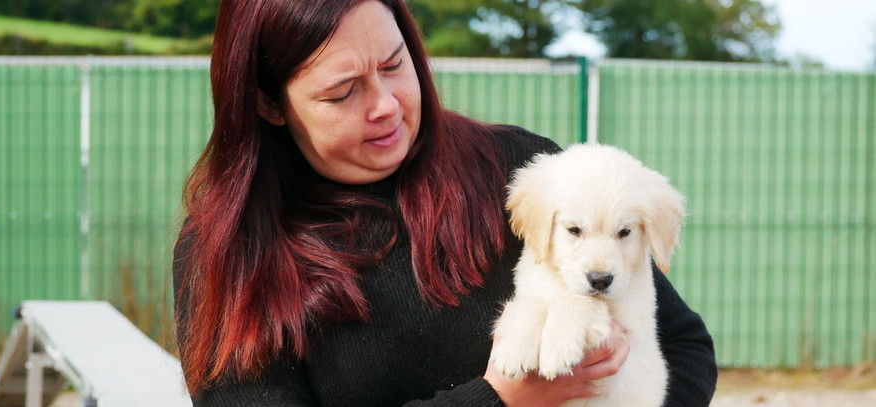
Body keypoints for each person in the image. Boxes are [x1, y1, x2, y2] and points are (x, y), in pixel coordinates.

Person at [171, 0, 717, 406]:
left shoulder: (519, 168)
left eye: (394, 65)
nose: (386, 105)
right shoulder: (229, 252)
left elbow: (683, 345)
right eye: (343, 92)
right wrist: (497, 400)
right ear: (268, 103)